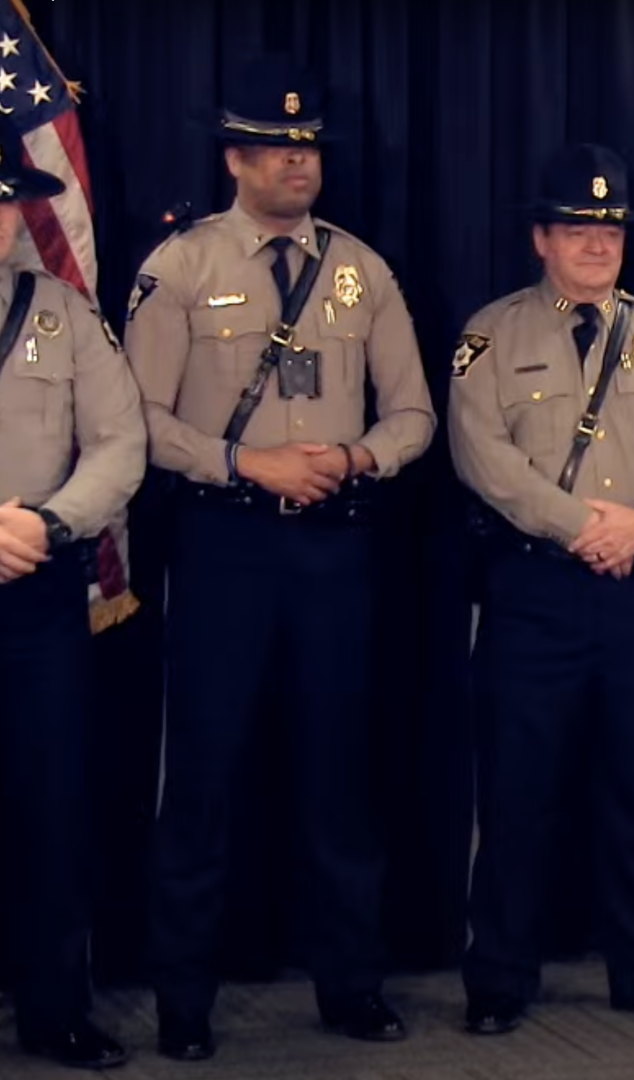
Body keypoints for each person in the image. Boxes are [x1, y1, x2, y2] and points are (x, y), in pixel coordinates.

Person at [124, 60, 435, 1060]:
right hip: (225, 545)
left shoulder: (362, 270)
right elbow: (140, 419)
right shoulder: (181, 266)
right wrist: (243, 462)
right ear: (235, 159)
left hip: (336, 548)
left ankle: (351, 984)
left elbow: (414, 414)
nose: (298, 165)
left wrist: (356, 457)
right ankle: (183, 998)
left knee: (339, 771)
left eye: (307, 149)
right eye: (275, 149)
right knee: (204, 775)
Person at [448, 143, 634, 1033]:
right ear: (541, 238)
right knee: (518, 794)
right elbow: (482, 457)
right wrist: (580, 527)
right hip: (536, 593)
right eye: (577, 229)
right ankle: (500, 978)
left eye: (610, 229)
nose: (599, 244)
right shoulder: (493, 335)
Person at [0, 121, 145, 1071]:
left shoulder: (62, 313)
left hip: (37, 595)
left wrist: (50, 526)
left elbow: (119, 443)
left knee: (51, 811)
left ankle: (55, 1009)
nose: (0, 218)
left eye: (8, 203)